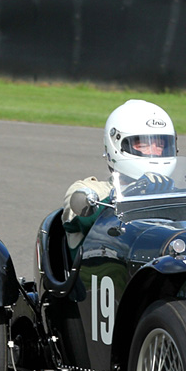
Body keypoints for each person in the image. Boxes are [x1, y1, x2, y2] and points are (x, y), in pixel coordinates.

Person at [62, 99, 178, 255]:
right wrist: (133, 192)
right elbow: (85, 222)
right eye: (143, 145)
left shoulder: (177, 194)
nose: (155, 151)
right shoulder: (89, 191)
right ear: (116, 145)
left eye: (161, 144)